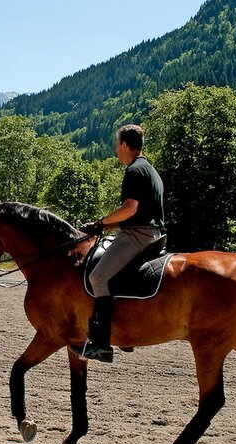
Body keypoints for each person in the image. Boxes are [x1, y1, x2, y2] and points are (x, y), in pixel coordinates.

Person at [70, 124, 165, 363]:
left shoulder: (134, 171)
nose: (115, 150)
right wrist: (101, 226)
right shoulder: (151, 170)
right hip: (151, 232)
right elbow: (137, 212)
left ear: (124, 145)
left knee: (98, 277)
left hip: (137, 235)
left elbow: (129, 209)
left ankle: (101, 344)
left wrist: (102, 221)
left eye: (116, 145)